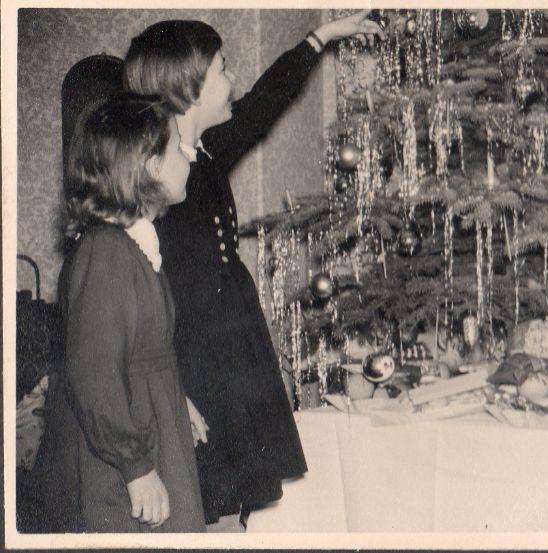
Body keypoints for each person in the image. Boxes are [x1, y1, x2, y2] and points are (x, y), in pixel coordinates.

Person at [122, 11, 384, 526]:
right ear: (188, 88)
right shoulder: (154, 172)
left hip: (230, 340)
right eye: (222, 69)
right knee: (203, 488)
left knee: (236, 487)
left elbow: (265, 102)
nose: (233, 80)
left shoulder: (205, 149)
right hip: (193, 350)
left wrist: (319, 39)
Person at [33, 93, 206, 532]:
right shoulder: (106, 253)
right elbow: (94, 373)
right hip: (117, 462)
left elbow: (138, 353)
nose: (189, 158)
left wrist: (177, 400)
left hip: (150, 431)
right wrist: (137, 469)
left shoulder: (133, 245)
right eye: (180, 149)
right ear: (149, 167)